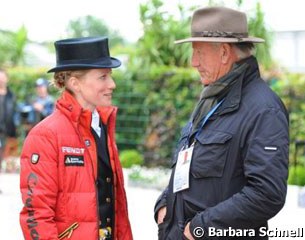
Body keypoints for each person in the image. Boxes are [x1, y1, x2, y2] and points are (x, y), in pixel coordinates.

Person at [155, 7, 289, 240]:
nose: (193, 62)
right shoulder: (213, 98)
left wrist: (201, 227)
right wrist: (165, 203)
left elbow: (266, 194)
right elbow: (194, 165)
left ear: (225, 53)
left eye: (198, 52)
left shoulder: (264, 109)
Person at [19, 37, 133, 240]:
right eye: (103, 77)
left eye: (111, 76)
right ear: (75, 83)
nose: (112, 84)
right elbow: (36, 215)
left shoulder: (103, 127)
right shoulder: (45, 136)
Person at [0, 69, 17, 183]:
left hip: (8, 130)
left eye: (3, 77)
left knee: (3, 157)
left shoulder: (11, 95)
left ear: (7, 79)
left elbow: (14, 113)